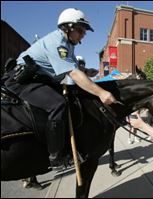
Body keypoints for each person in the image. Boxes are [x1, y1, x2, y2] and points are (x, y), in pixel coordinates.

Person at [3, 8, 116, 170]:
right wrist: (101, 92)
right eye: (80, 30)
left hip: (40, 78)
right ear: (68, 27)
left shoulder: (68, 45)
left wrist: (86, 71)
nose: (83, 34)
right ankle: (56, 156)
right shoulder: (58, 43)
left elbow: (74, 69)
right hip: (21, 80)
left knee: (72, 99)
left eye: (84, 31)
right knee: (58, 104)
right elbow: (74, 74)